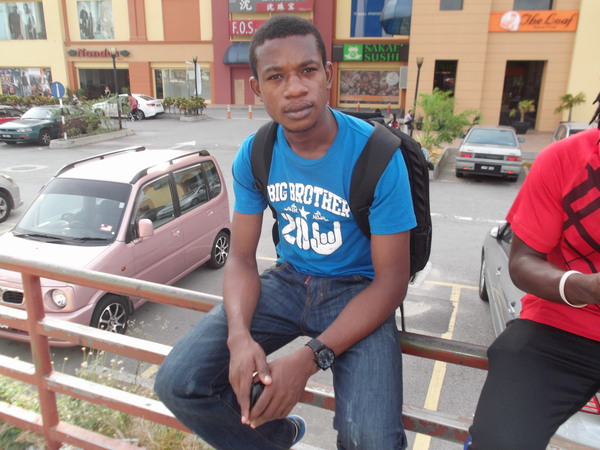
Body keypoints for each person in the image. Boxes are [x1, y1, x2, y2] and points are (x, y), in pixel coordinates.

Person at [155, 14, 415, 450]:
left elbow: (391, 282)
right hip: (289, 281)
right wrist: (239, 336)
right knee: (178, 382)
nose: (294, 89)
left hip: (360, 290)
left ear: (327, 75)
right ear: (257, 88)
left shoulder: (378, 155)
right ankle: (276, 437)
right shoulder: (256, 153)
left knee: (371, 439)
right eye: (276, 76)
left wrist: (310, 359)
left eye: (307, 71)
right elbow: (241, 257)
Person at [468, 102, 600, 449]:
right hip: (561, 327)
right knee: (497, 440)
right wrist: (587, 286)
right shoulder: (565, 159)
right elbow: (523, 262)